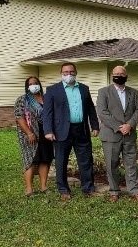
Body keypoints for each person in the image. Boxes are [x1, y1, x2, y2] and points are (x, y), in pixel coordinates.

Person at [42, 62, 99, 201]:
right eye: (66, 72)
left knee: (86, 160)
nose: (69, 74)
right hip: (61, 131)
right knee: (61, 161)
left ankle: (88, 188)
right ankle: (63, 189)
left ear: (76, 73)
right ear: (61, 73)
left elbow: (91, 109)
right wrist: (48, 130)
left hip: (81, 130)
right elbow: (47, 113)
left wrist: (95, 126)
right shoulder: (52, 90)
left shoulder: (84, 89)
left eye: (71, 72)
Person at [96, 66, 138, 202]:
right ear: (112, 75)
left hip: (129, 134)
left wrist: (129, 125)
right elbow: (102, 112)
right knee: (111, 165)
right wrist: (119, 127)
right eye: (116, 74)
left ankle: (134, 191)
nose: (119, 75)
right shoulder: (103, 92)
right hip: (111, 135)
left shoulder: (133, 92)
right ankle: (114, 191)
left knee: (131, 163)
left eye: (121, 73)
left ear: (126, 75)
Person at [14, 76, 54, 197]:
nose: (33, 85)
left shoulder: (46, 98)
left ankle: (43, 186)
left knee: (45, 160)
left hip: (46, 133)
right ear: (27, 86)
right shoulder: (23, 99)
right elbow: (19, 117)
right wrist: (29, 133)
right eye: (30, 84)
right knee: (30, 160)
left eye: (35, 83)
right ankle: (29, 189)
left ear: (39, 84)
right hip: (30, 133)